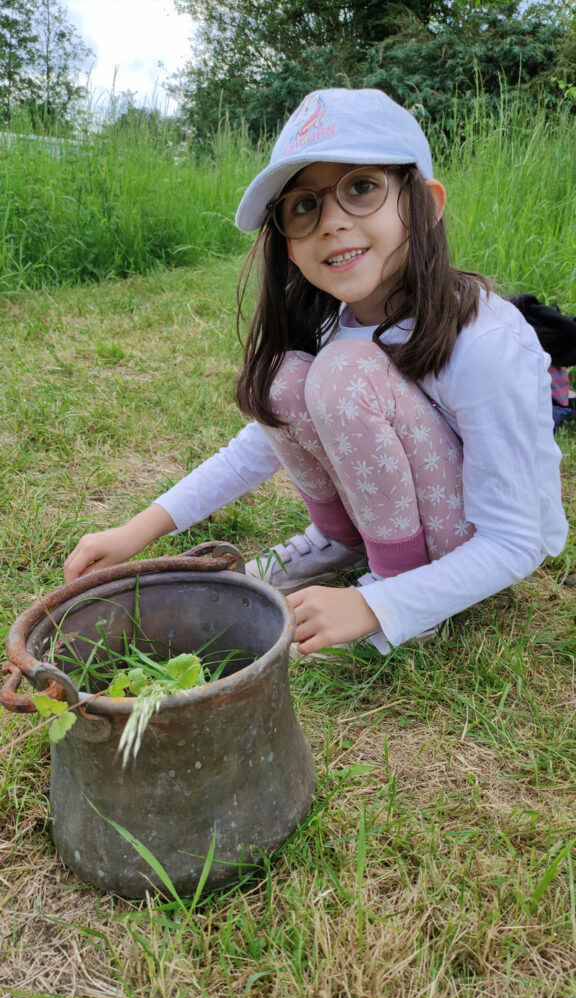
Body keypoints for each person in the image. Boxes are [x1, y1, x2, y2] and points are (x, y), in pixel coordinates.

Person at [63, 88, 568, 657]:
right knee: (279, 381)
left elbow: (516, 538)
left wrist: (379, 607)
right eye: (303, 205)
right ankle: (341, 542)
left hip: (471, 545)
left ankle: (394, 586)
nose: (329, 223)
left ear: (425, 204)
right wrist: (137, 532)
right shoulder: (338, 322)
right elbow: (262, 442)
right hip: (406, 520)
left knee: (344, 373)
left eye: (360, 187)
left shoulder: (485, 341)